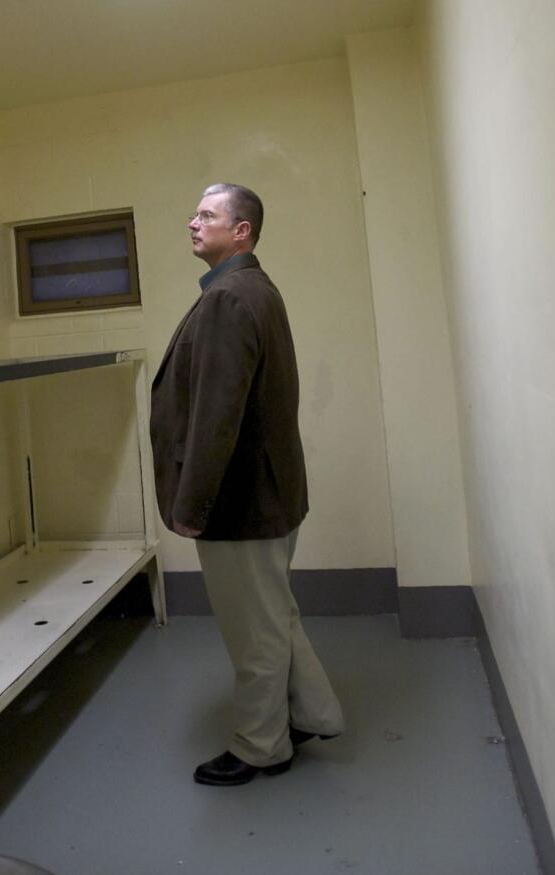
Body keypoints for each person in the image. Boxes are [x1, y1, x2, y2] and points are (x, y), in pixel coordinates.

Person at [149, 183, 344, 786]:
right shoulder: (253, 290)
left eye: (207, 214)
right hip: (269, 495)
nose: (192, 222)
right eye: (193, 213)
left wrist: (193, 505)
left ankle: (263, 747)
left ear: (242, 232)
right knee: (274, 615)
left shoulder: (229, 299)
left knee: (254, 634)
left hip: (239, 504)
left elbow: (216, 418)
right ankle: (314, 712)